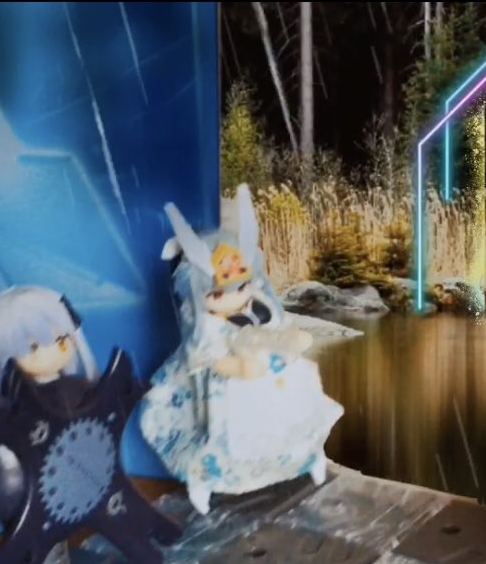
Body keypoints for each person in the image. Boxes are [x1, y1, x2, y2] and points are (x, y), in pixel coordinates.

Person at [140, 185, 343, 513]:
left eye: (243, 285)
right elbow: (207, 358)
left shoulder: (261, 304)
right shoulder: (208, 326)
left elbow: (278, 330)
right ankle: (206, 480)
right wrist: (237, 367)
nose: (237, 295)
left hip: (274, 382)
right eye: (222, 292)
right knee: (230, 440)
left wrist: (290, 340)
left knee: (293, 421)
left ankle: (307, 457)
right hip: (231, 394)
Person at [0, 287, 98, 564]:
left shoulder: (73, 386)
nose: (53, 350)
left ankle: (54, 555)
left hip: (72, 469)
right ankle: (44, 559)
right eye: (33, 346)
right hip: (38, 475)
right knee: (41, 517)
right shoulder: (22, 401)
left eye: (60, 339)